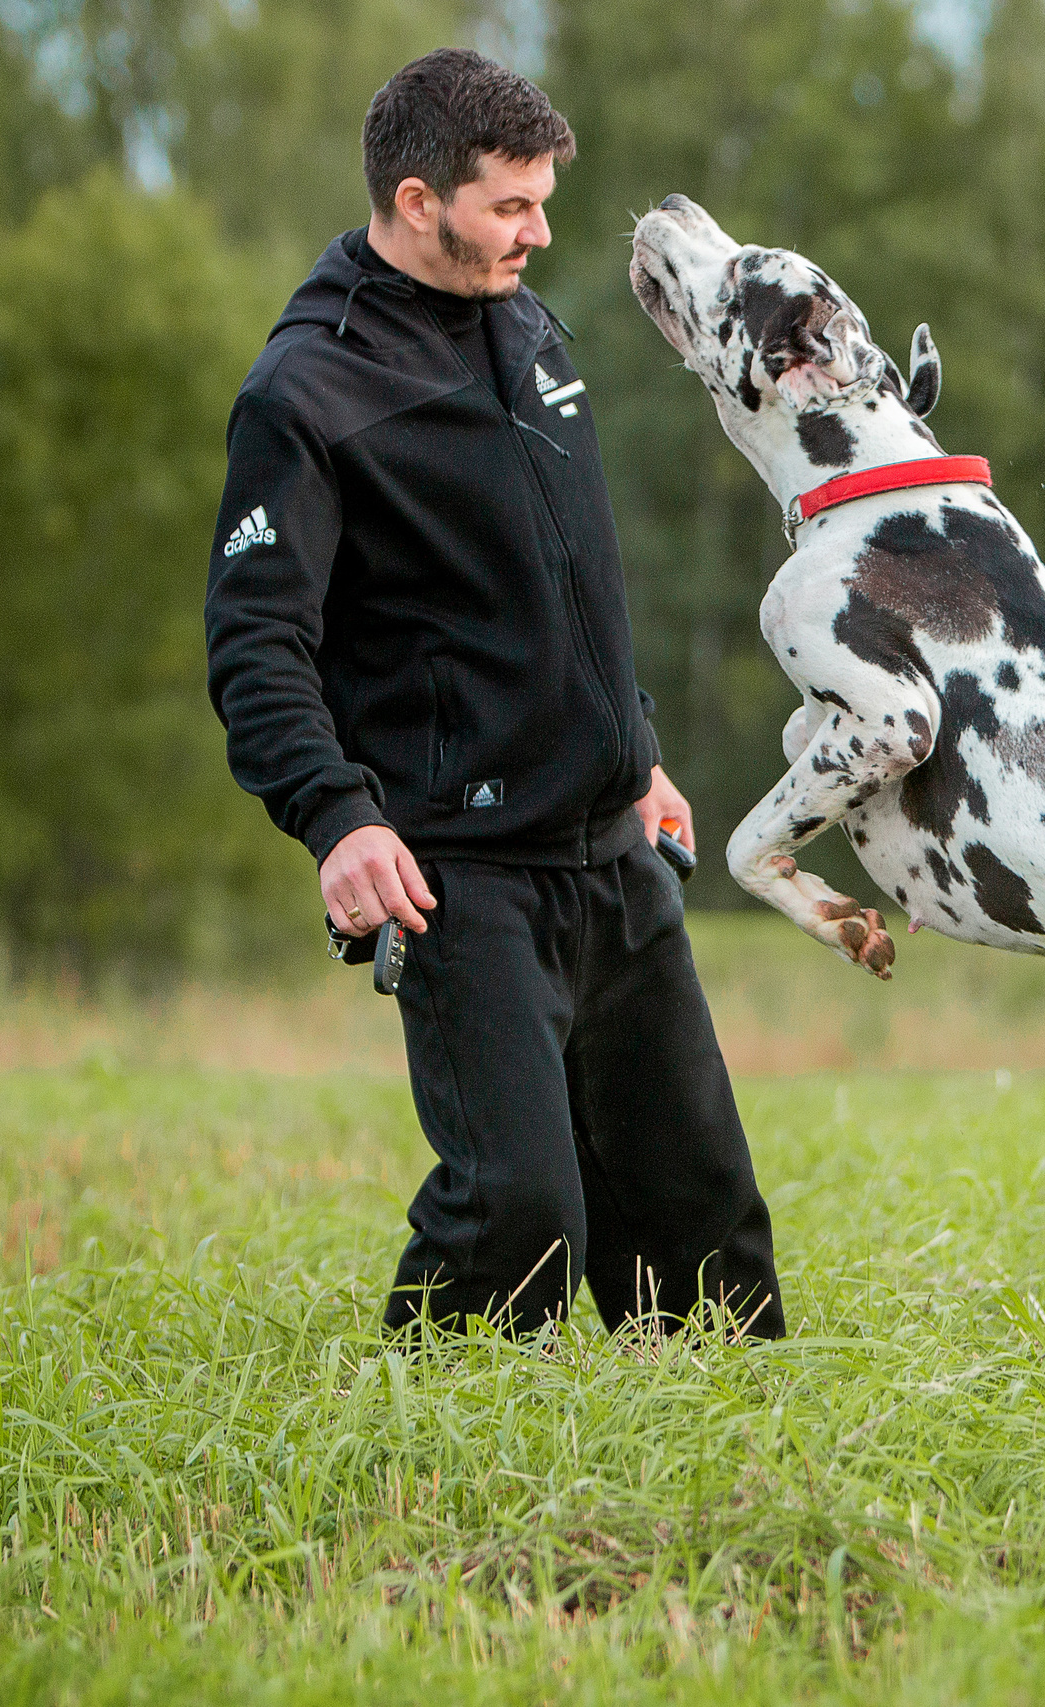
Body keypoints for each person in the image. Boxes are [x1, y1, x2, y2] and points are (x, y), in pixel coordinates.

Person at [203, 48, 784, 1339]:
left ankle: (716, 1489)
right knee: (522, 1214)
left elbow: (570, 566)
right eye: (511, 205)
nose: (542, 229)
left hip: (611, 845)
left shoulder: (524, 320)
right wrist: (337, 818)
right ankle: (419, 1463)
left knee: (704, 1221)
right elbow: (254, 644)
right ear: (417, 202)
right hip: (459, 871)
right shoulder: (305, 394)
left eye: (543, 200)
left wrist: (635, 748)